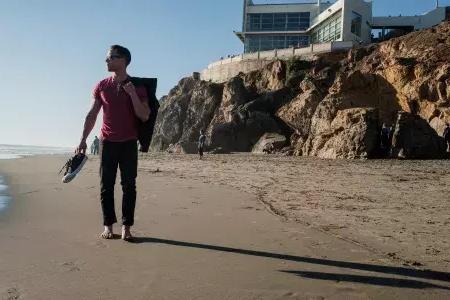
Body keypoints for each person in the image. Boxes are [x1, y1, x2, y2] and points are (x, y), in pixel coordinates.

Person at [75, 45, 150, 241]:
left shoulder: (138, 86)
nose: (106, 61)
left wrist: (132, 93)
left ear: (123, 60)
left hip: (128, 143)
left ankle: (126, 228)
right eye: (107, 58)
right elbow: (92, 115)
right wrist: (83, 140)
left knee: (129, 186)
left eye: (111, 58)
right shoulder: (101, 86)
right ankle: (108, 226)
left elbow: (144, 115)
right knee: (106, 186)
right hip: (107, 142)